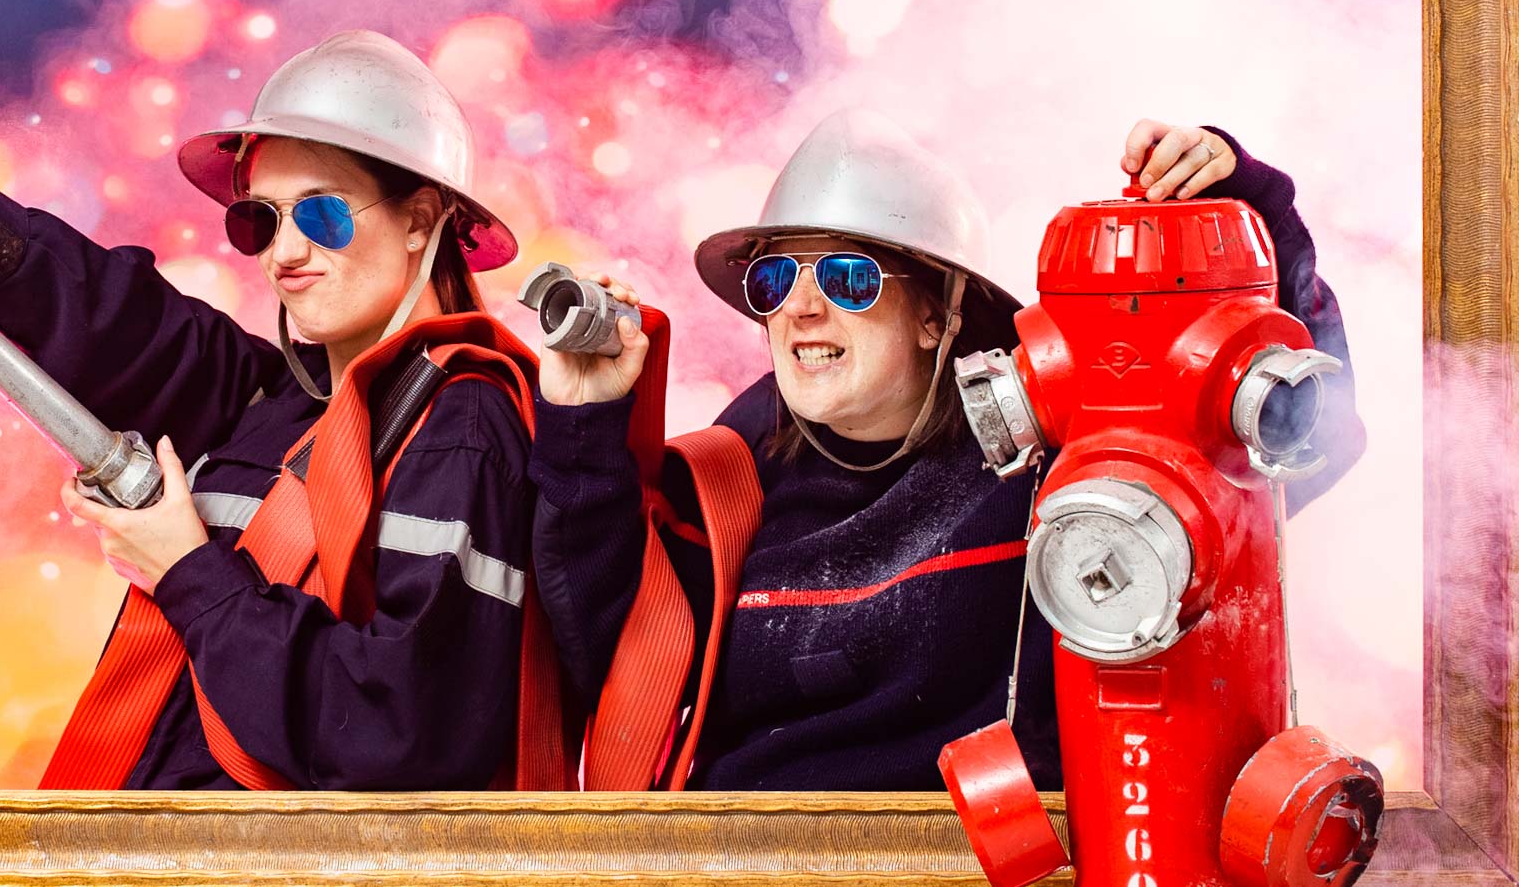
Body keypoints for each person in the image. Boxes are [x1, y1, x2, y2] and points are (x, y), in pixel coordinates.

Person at [527, 113, 1365, 791]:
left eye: (849, 279)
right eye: (776, 282)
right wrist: (583, 423)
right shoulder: (724, 482)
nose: (802, 310)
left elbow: (1300, 436)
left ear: (937, 316)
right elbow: (610, 667)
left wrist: (1248, 201)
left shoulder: (1046, 462)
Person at [0, 30, 552, 791]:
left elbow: (394, 736)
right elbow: (112, 315)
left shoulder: (465, 432)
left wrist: (186, 570)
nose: (286, 254)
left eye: (323, 216)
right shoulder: (273, 405)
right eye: (260, 222)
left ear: (419, 218)